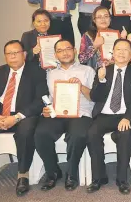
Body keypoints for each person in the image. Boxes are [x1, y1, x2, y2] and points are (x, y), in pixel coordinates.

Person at [0, 40, 47, 196]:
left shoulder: (37, 72)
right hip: (0, 115)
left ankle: (23, 175)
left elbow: (40, 100)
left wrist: (16, 118)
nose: (13, 56)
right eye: (9, 53)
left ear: (24, 54)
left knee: (26, 131)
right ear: (5, 57)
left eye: (16, 52)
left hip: (23, 115)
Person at [34, 39, 95, 191]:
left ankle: (72, 173)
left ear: (74, 51)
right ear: (55, 55)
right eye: (60, 50)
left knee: (77, 135)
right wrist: (46, 109)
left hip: (81, 113)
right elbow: (47, 98)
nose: (65, 52)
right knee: (41, 133)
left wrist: (81, 87)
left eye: (68, 48)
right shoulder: (50, 74)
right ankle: (53, 172)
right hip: (58, 114)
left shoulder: (88, 71)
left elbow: (94, 97)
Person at [86, 39, 131, 194]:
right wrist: (102, 79)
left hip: (125, 114)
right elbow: (94, 96)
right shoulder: (104, 70)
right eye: (118, 49)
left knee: (125, 134)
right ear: (113, 52)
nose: (122, 53)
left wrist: (128, 117)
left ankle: (122, 179)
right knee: (92, 133)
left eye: (126, 50)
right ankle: (99, 177)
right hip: (104, 114)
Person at [78, 6, 124, 70]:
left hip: (115, 70)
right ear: (94, 20)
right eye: (99, 17)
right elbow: (82, 59)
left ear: (110, 19)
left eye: (106, 16)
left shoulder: (116, 34)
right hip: (95, 72)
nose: (103, 19)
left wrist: (123, 40)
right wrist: (95, 46)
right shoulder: (88, 35)